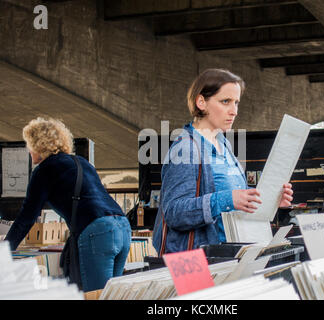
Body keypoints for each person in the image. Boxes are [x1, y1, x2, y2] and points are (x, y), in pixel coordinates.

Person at [152, 68, 293, 254]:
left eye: (236, 103)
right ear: (201, 102)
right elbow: (174, 213)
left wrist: (269, 202)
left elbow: (235, 206)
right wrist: (228, 199)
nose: (234, 111)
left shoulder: (223, 145)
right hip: (197, 263)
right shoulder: (185, 149)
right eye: (225, 101)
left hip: (229, 256)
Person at [5, 117, 131, 292]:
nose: (28, 149)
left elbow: (27, 217)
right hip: (122, 227)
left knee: (95, 295)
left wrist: (5, 251)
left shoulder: (44, 170)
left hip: (97, 232)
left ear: (38, 145)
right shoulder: (82, 163)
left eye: (29, 144)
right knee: (110, 295)